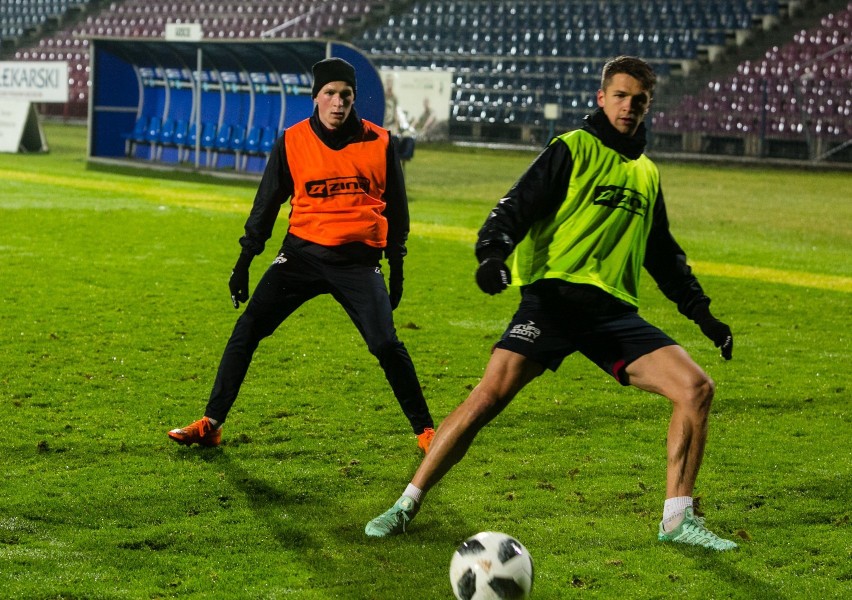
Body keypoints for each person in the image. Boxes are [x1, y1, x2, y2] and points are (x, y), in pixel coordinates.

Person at [365, 56, 738, 551]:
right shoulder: (570, 149)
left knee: (696, 388)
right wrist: (492, 254)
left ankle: (677, 520)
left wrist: (703, 314)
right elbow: (514, 207)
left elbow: (664, 256)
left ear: (649, 106)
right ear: (601, 98)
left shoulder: (647, 173)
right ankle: (405, 504)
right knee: (487, 398)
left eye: (639, 100)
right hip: (553, 301)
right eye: (620, 96)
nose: (629, 107)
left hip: (611, 314)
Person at [168, 58, 436, 453]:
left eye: (346, 95)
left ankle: (427, 432)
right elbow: (266, 206)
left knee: (384, 344)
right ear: (315, 97)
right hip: (301, 256)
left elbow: (397, 211)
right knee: (248, 329)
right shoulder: (292, 141)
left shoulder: (381, 142)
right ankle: (212, 423)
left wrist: (397, 269)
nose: (338, 102)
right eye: (329, 93)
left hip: (358, 262)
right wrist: (244, 261)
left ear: (354, 98)